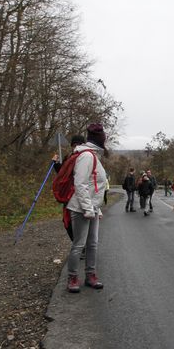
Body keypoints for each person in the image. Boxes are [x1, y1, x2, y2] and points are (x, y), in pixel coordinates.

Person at [64, 123, 109, 291]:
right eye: (103, 138)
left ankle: (90, 275)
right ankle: (72, 278)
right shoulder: (87, 156)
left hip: (92, 208)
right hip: (80, 208)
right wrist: (88, 209)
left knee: (92, 244)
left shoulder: (93, 155)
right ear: (99, 140)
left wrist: (97, 208)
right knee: (79, 244)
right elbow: (80, 184)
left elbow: (93, 186)